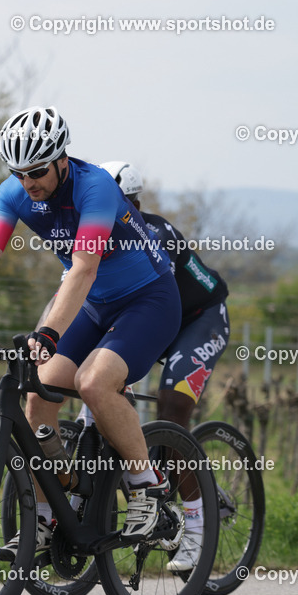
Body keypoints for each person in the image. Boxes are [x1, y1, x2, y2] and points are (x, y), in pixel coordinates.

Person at [0, 106, 181, 561]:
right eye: (17, 172)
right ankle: (47, 515)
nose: (27, 180)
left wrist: (50, 332)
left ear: (60, 160)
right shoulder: (14, 192)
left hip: (148, 299)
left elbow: (84, 267)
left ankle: (146, 485)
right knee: (36, 395)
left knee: (93, 382)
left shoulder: (95, 187)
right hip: (93, 303)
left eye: (36, 170)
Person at [87, 161, 229, 570]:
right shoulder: (92, 236)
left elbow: (150, 298)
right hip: (151, 321)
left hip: (198, 318)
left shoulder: (155, 233)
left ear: (132, 202)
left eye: (119, 203)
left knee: (171, 409)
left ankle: (198, 525)